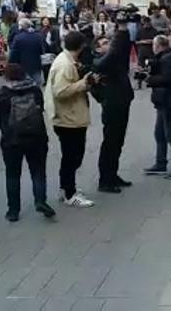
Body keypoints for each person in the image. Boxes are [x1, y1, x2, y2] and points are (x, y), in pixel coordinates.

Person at [0, 64, 55, 222]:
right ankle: (40, 200)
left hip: (12, 141)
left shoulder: (3, 94)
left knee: (13, 175)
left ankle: (13, 210)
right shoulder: (34, 90)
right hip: (37, 138)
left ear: (6, 76)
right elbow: (41, 109)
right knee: (38, 171)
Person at [45, 31, 95, 208]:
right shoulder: (65, 64)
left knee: (71, 155)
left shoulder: (66, 60)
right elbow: (60, 91)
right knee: (72, 155)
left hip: (69, 116)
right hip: (68, 118)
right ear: (81, 46)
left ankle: (65, 188)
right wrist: (82, 84)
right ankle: (69, 193)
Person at [92, 14, 135, 193]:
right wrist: (121, 30)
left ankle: (113, 174)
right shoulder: (98, 62)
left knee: (118, 141)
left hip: (122, 102)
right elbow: (114, 53)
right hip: (111, 105)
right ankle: (105, 179)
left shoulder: (113, 57)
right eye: (103, 44)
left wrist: (123, 30)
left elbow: (122, 48)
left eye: (107, 42)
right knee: (110, 142)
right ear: (97, 49)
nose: (107, 45)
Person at [144, 35, 171, 177]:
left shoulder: (169, 58)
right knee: (160, 133)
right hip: (164, 101)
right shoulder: (165, 57)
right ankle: (161, 162)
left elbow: (167, 79)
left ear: (158, 46)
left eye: (154, 45)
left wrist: (148, 79)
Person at [9, 18, 45, 86]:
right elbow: (42, 51)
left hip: (22, 66)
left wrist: (10, 63)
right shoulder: (38, 36)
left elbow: (13, 53)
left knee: (24, 86)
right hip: (36, 65)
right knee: (37, 86)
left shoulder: (18, 38)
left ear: (21, 26)